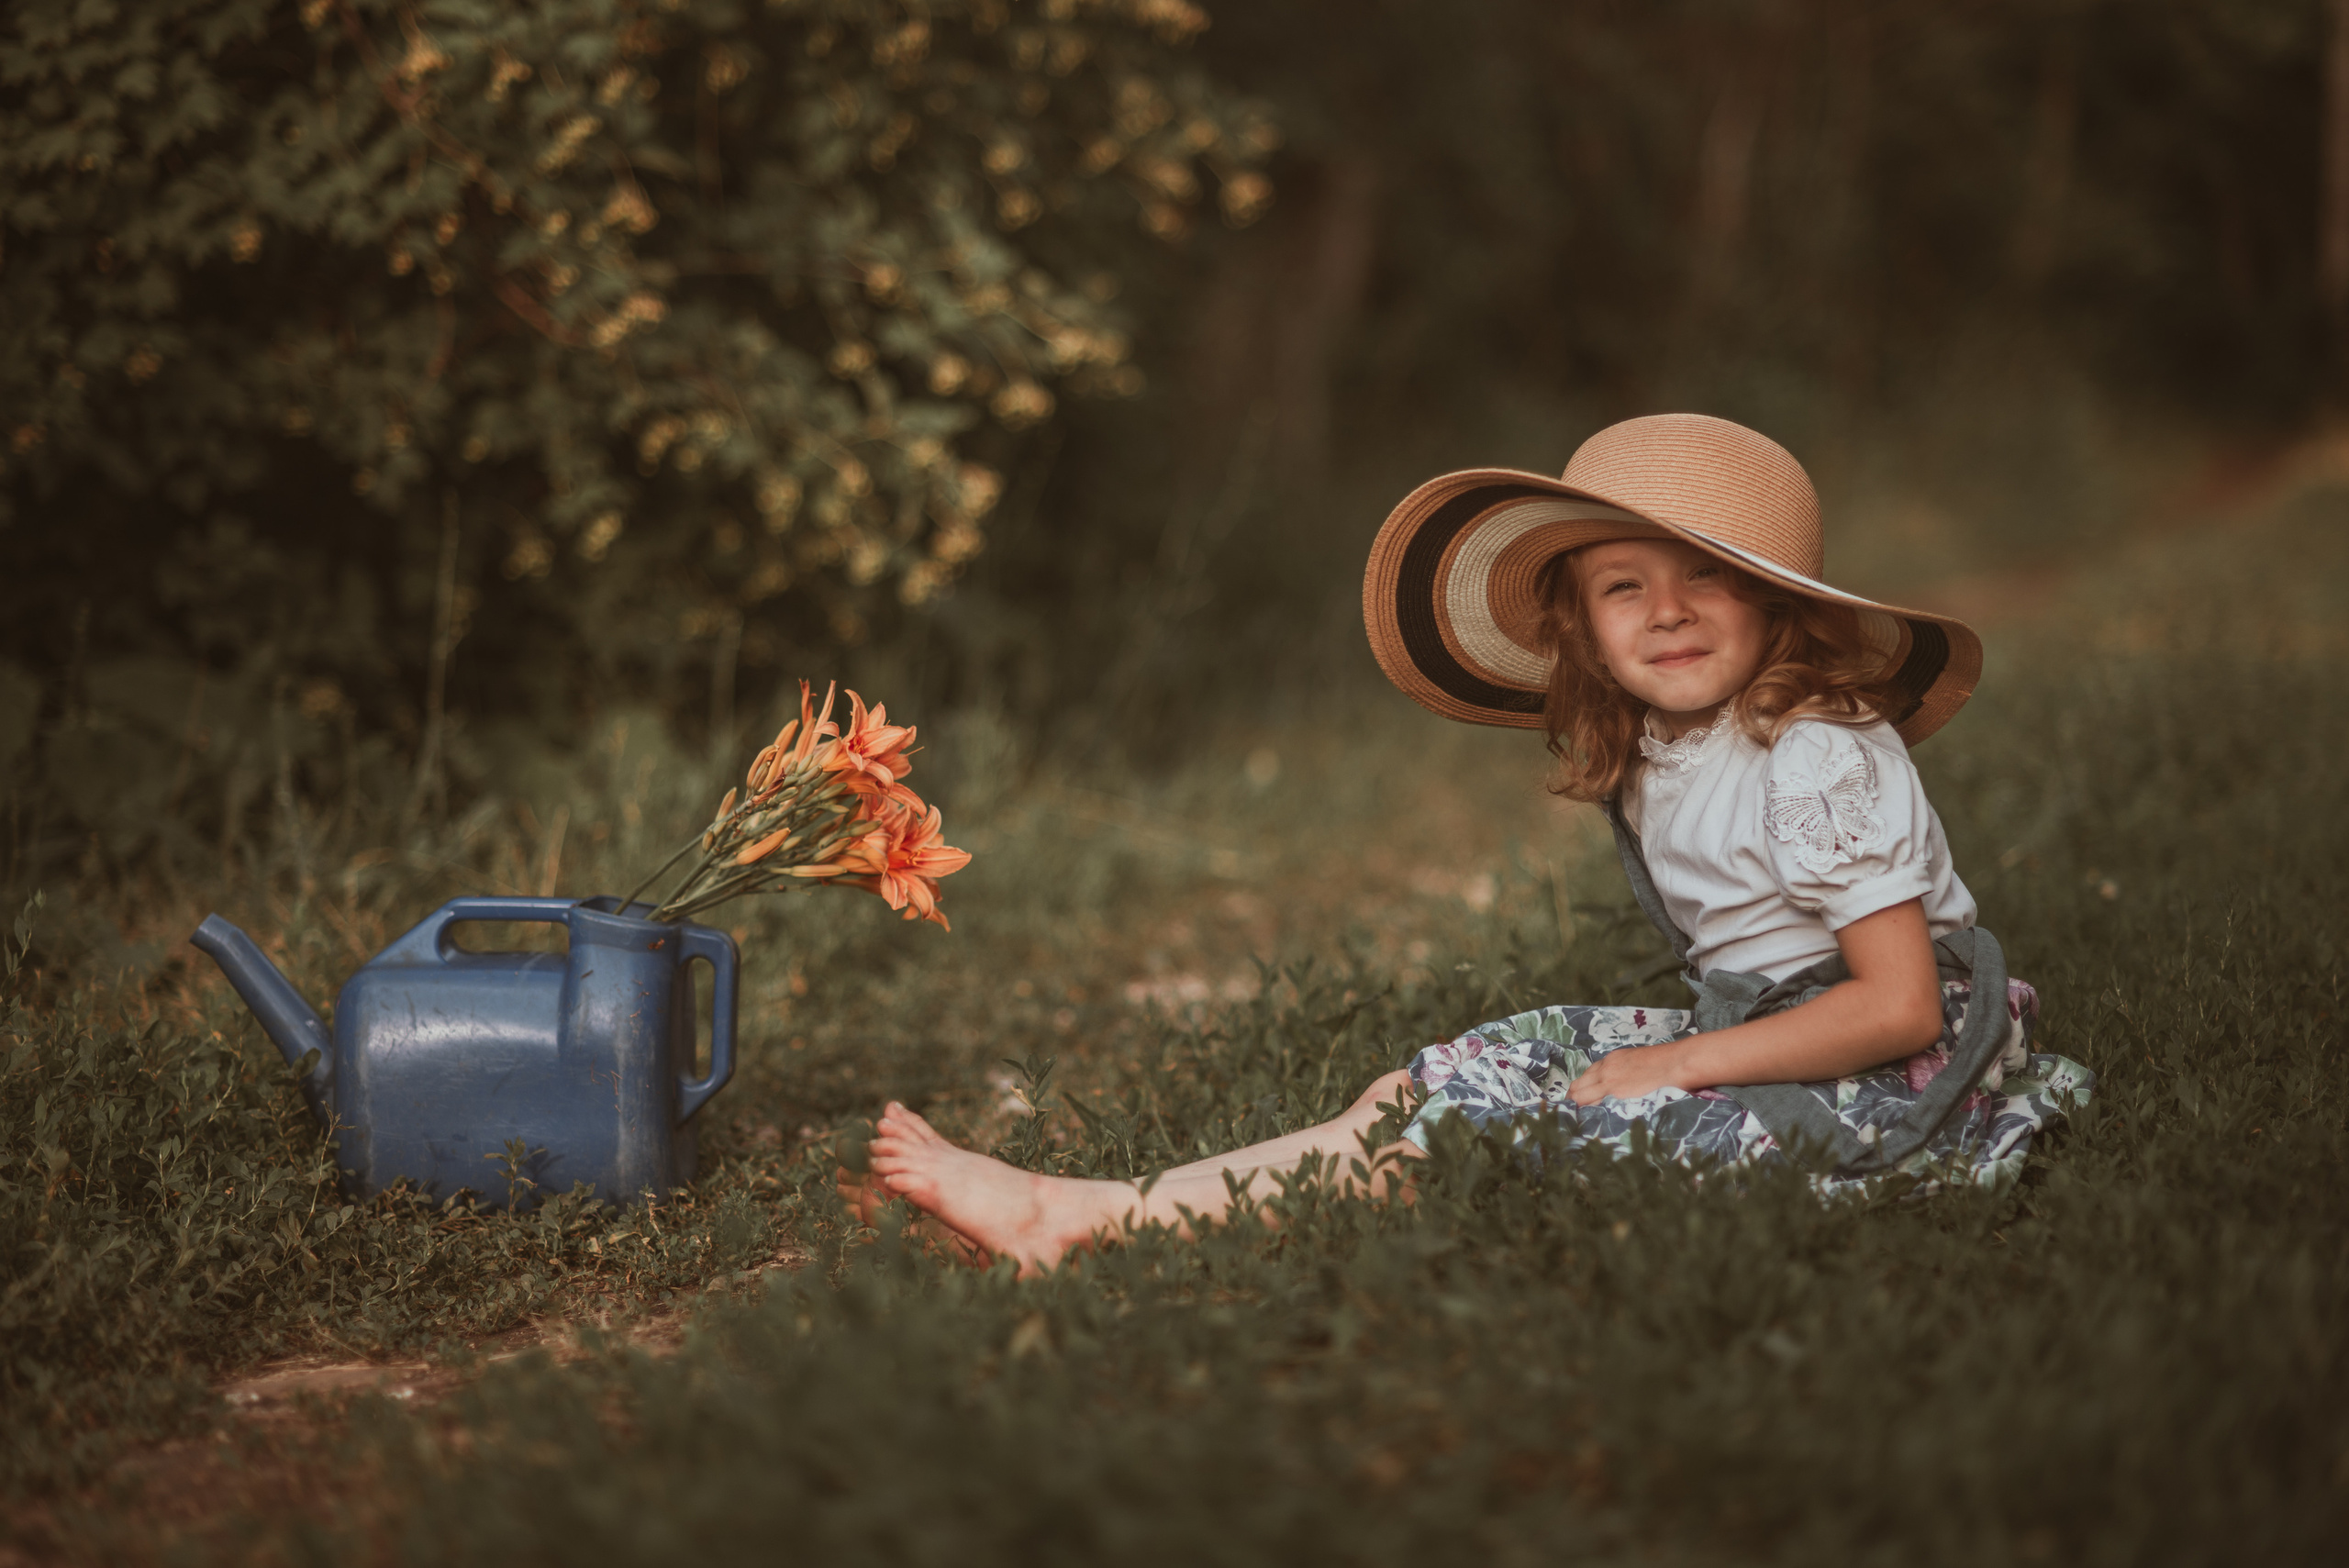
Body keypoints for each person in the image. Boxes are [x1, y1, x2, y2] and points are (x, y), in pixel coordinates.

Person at [844, 414, 2093, 1274]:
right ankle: (1111, 1207)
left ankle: (1082, 1220)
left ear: (1777, 602)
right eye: (1624, 584)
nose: (1666, 610)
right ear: (1582, 623)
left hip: (1882, 1075)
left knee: (1473, 1147)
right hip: (1774, 1029)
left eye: (1706, 576)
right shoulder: (1672, 741)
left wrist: (1676, 1064)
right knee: (1422, 1091)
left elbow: (1899, 1005)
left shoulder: (1818, 752)